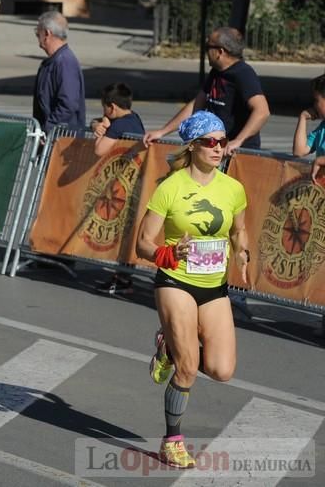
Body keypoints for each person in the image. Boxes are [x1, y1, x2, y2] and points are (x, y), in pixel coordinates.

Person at [136, 111, 249, 469]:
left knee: (221, 369)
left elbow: (238, 231)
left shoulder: (232, 188)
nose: (219, 148)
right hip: (176, 281)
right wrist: (168, 253)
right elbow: (143, 243)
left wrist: (244, 253)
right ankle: (172, 441)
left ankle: (169, 341)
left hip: (214, 286)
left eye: (223, 141)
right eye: (211, 142)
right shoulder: (170, 187)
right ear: (193, 145)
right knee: (188, 367)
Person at [144, 27, 270, 156]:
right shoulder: (216, 72)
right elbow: (196, 105)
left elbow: (262, 111)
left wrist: (238, 141)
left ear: (220, 51)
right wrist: (162, 131)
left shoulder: (243, 74)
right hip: (216, 150)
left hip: (238, 154)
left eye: (208, 47)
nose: (205, 52)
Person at [91, 82, 145, 295]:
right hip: (132, 182)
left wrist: (104, 124)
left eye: (104, 108)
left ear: (111, 107)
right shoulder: (134, 118)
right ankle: (122, 275)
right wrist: (98, 123)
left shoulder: (119, 125)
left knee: (124, 231)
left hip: (125, 185)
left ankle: (122, 278)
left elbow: (99, 150)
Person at [32, 10, 85, 132]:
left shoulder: (65, 62)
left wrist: (48, 128)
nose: (36, 36)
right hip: (53, 137)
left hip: (63, 140)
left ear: (47, 33)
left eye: (37, 32)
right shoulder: (53, 62)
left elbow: (68, 104)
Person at [293, 74, 325, 157]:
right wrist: (302, 117)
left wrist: (320, 161)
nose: (314, 105)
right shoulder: (322, 129)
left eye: (316, 100)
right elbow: (299, 151)